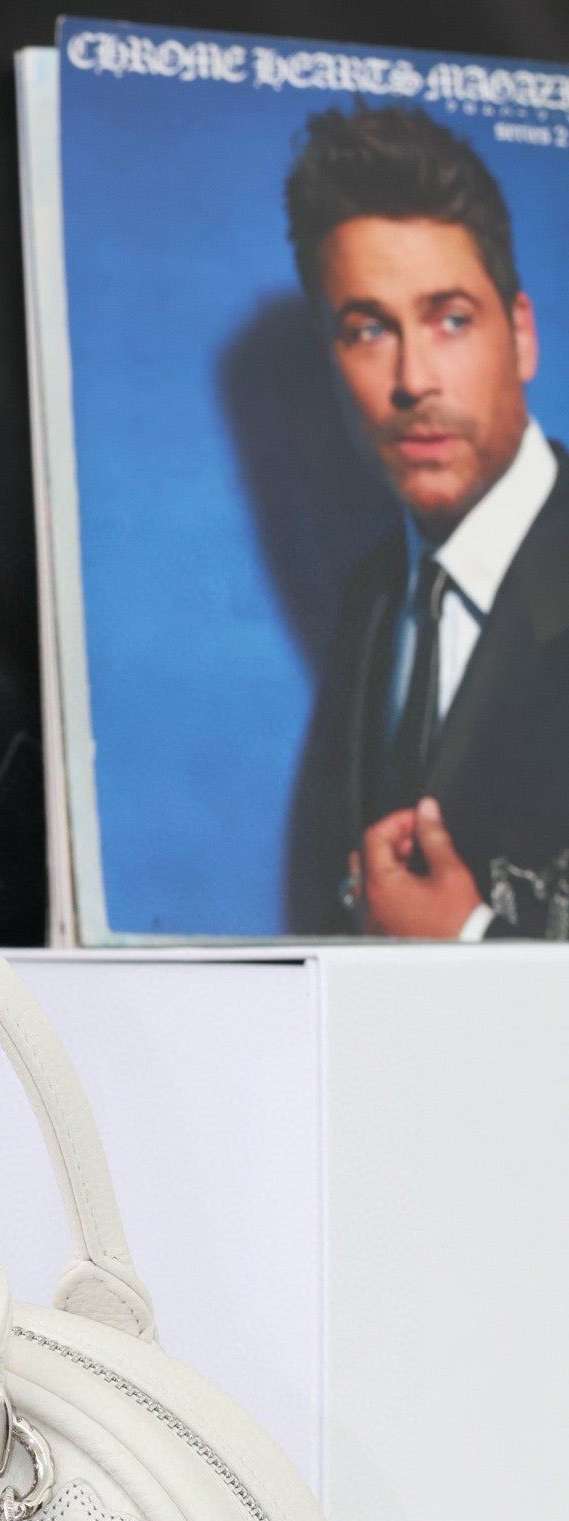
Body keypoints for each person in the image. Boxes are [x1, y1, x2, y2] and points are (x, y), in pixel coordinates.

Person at [287, 103, 569, 939]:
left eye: (451, 319)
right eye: (369, 329)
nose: (413, 378)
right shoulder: (375, 594)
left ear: (520, 334)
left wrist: (470, 940)